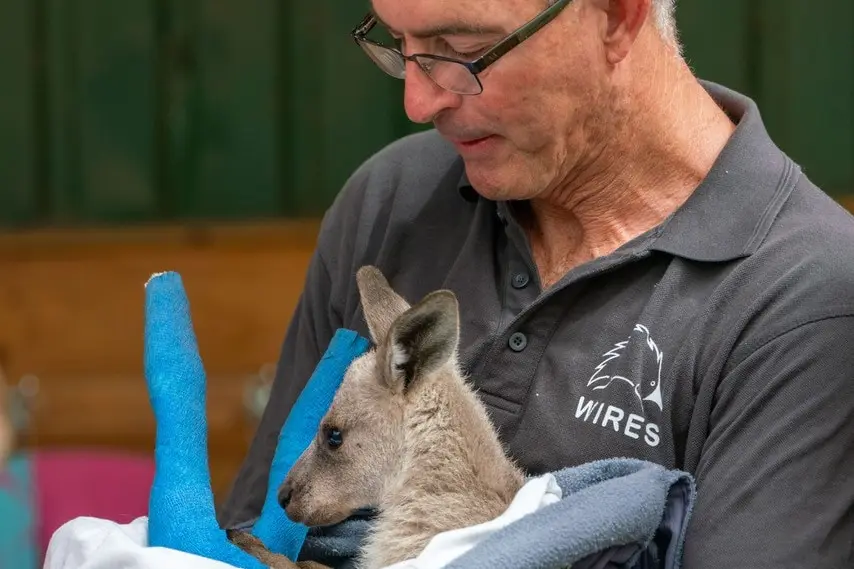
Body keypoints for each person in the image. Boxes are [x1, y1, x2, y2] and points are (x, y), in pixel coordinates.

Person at [218, 0, 854, 566]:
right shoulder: (393, 201)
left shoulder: (804, 295)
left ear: (615, 16)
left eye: (464, 50)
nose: (418, 102)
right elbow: (255, 535)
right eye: (399, 47)